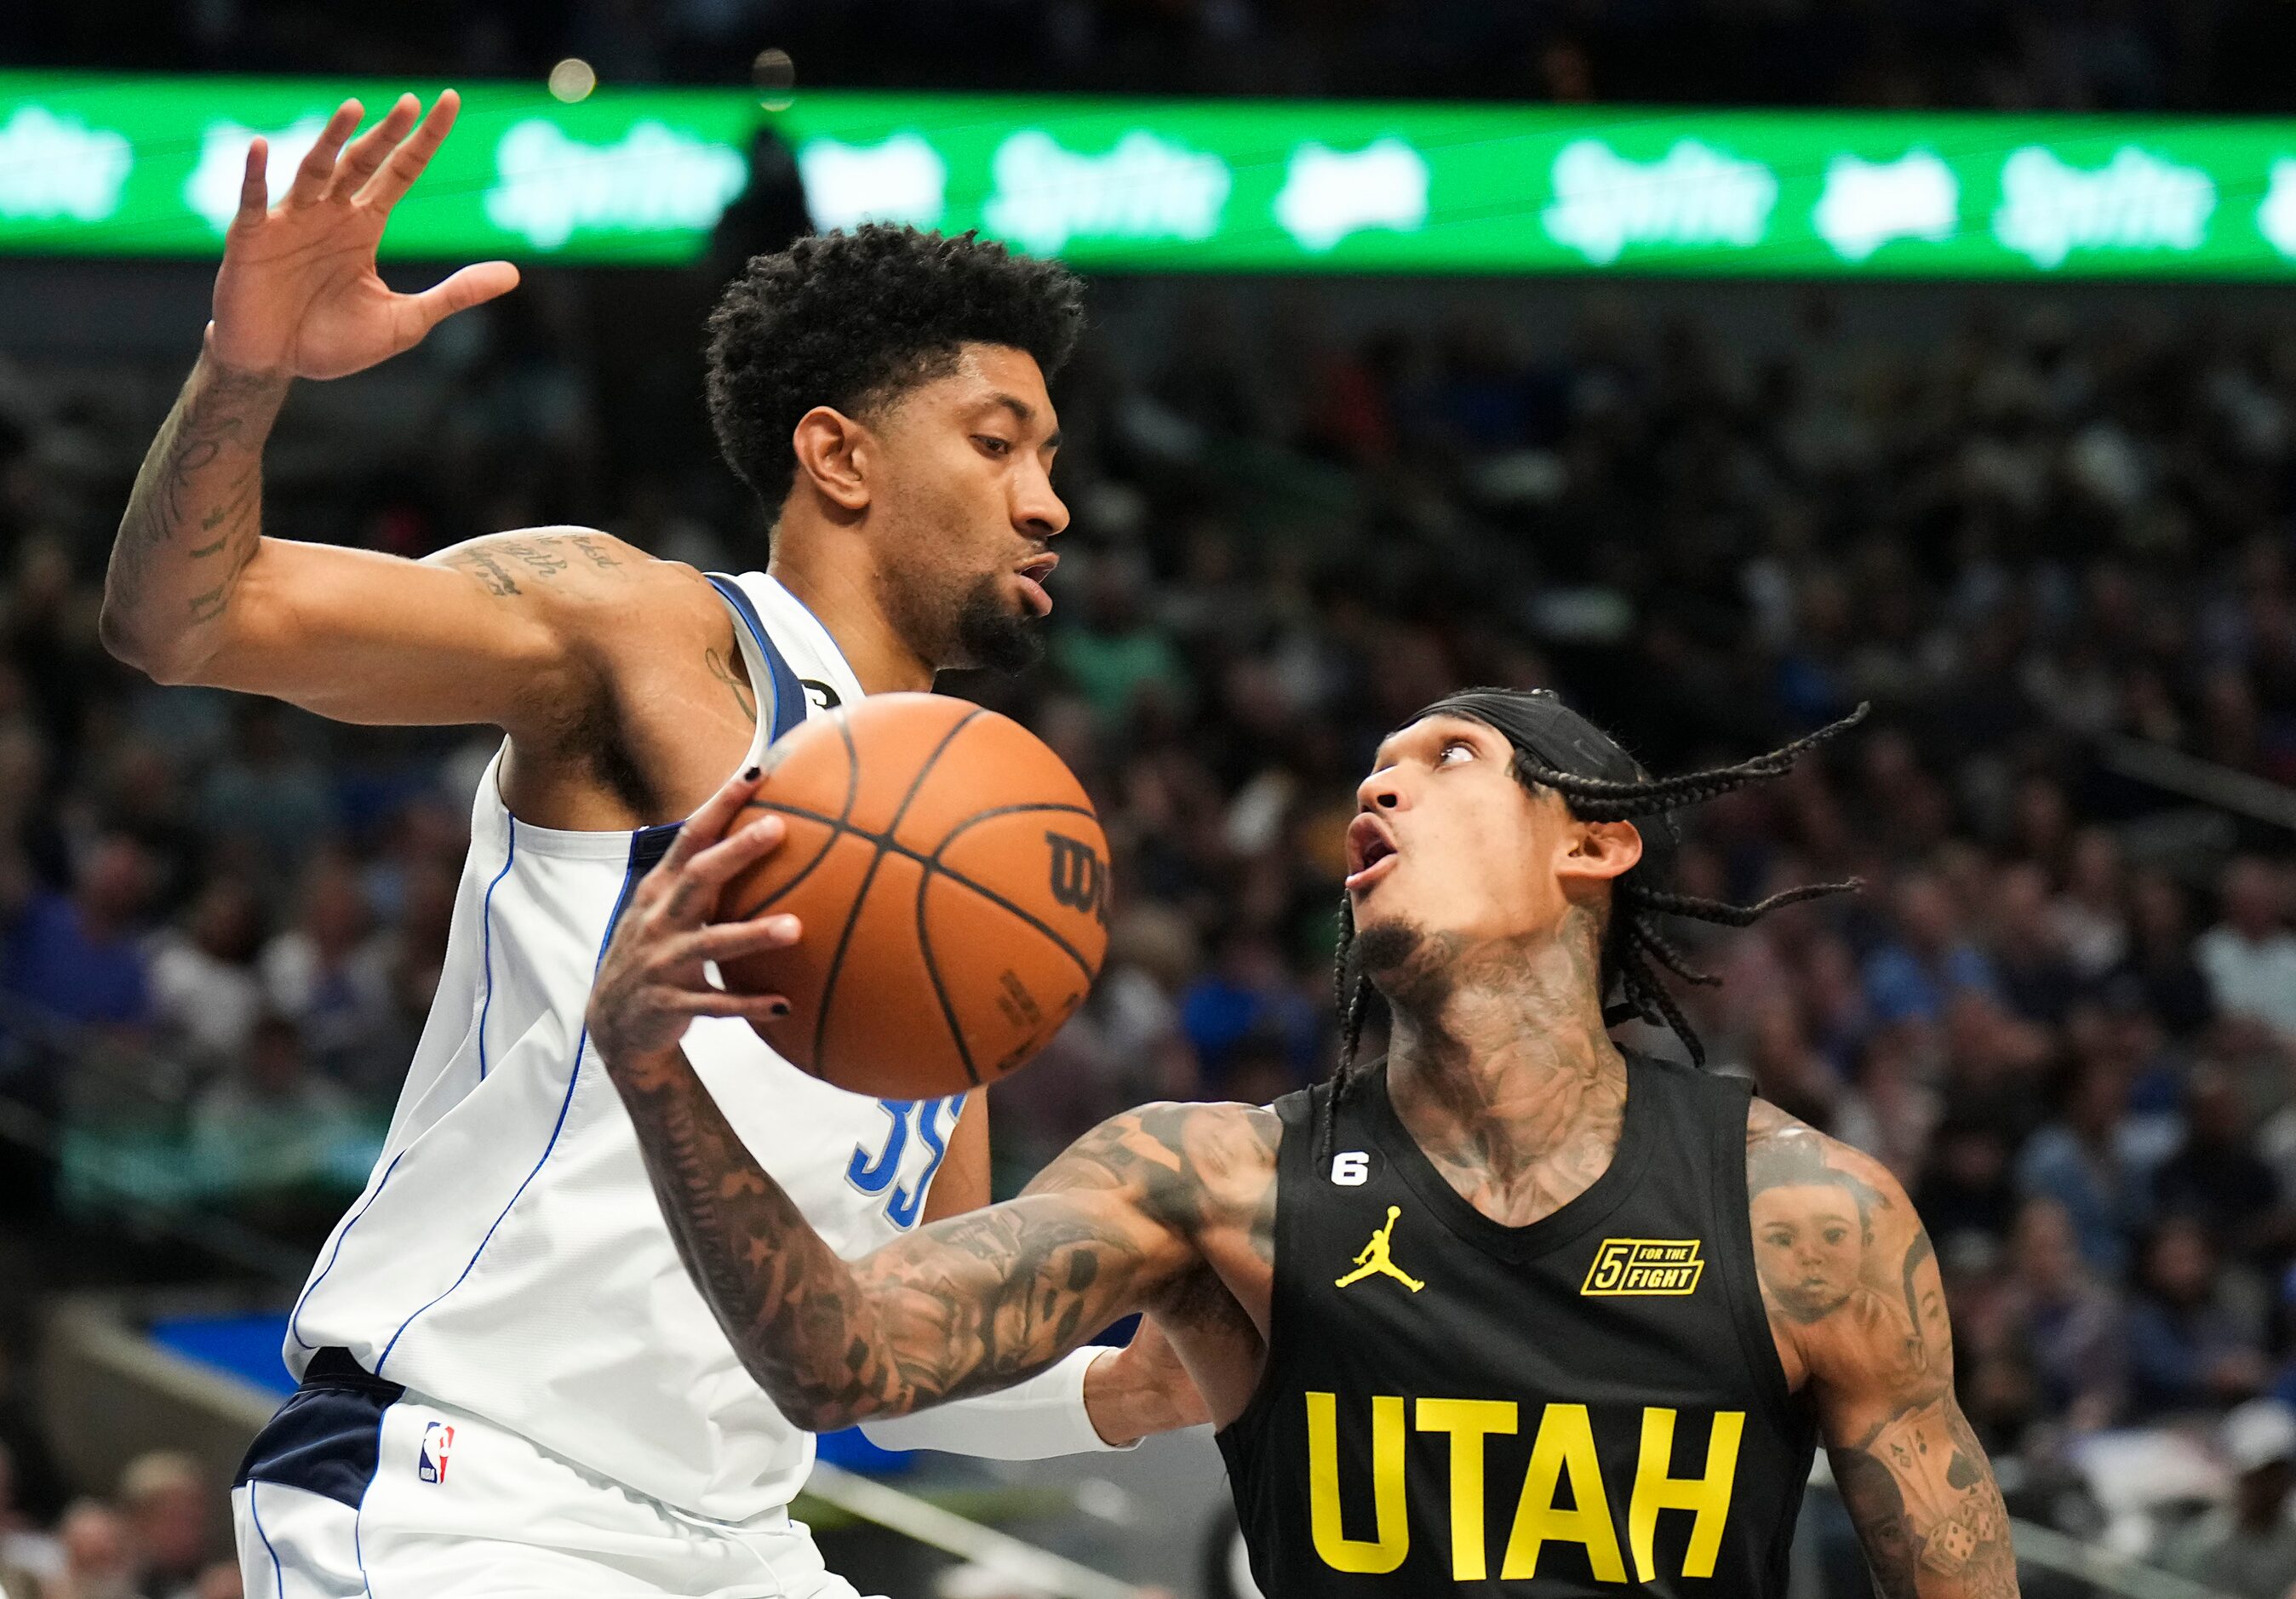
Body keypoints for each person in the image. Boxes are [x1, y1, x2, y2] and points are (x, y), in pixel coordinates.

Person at [101, 90, 1195, 1599]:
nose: (1048, 501)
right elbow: (180, 620)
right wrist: (246, 371)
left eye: (1052, 453)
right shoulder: (651, 629)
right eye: (997, 442)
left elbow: (899, 1327)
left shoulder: (973, 852)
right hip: (471, 1501)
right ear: (840, 456)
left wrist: (1131, 1391)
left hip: (741, 1541)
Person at [592, 688, 2023, 1598]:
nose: (1376, 789)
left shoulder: (1807, 1216)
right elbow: (844, 1356)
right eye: (1371, 770)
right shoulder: (1208, 1183)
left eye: (1447, 757)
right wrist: (656, 1073)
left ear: (1591, 844)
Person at [2155, 1398, 2296, 1599]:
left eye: (2277, 1475)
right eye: (2259, 1478)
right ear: (2239, 1476)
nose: (2270, 1487)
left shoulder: (2292, 1534)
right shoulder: (2204, 1544)